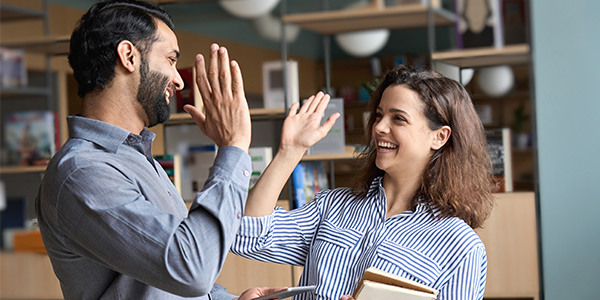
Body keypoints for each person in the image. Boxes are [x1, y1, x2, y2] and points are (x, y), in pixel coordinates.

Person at [34, 1, 332, 299]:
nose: (178, 80)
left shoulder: (136, 159)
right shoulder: (83, 172)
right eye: (171, 59)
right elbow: (191, 269)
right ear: (128, 56)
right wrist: (233, 146)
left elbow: (169, 280)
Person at [231, 66, 497, 300]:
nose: (379, 127)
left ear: (439, 137)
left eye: (399, 118)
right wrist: (290, 151)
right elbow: (248, 236)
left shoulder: (460, 247)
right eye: (379, 115)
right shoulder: (333, 206)